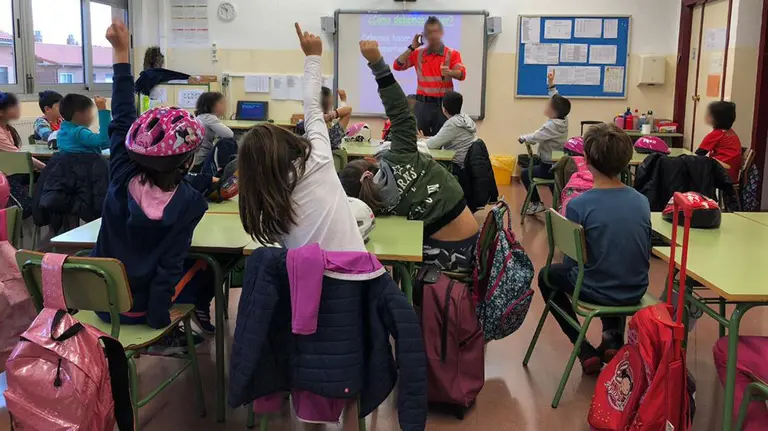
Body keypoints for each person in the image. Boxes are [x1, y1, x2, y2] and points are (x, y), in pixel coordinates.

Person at [91, 19, 216, 346]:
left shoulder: (120, 174)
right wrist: (159, 321)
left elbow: (120, 116)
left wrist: (120, 53)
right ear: (188, 160)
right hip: (141, 310)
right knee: (207, 266)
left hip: (101, 302)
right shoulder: (190, 202)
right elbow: (169, 267)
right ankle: (180, 331)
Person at [339, 40, 479, 273]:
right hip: (466, 248)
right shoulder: (400, 157)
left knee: (386, 263)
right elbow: (400, 112)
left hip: (451, 252)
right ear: (374, 161)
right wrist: (377, 63)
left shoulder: (378, 206)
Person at [237, 23, 366, 253]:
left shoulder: (266, 202)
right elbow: (312, 107)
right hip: (353, 275)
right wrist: (313, 57)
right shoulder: (317, 157)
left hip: (308, 283)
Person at [538, 123, 650, 375]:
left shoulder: (579, 204)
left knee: (547, 276)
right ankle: (612, 338)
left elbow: (571, 262)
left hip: (594, 290)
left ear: (585, 159)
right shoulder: (642, 201)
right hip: (635, 290)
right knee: (612, 264)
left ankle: (583, 348)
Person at [394, 16, 466, 136]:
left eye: (435, 32)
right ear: (424, 35)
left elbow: (462, 74)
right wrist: (411, 48)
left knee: (443, 142)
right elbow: (397, 65)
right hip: (422, 105)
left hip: (443, 107)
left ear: (441, 33)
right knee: (420, 141)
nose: (432, 36)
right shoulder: (418, 54)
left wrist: (450, 72)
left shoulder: (452, 54)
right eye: (429, 32)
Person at [519, 70, 570, 215]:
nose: (546, 106)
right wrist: (551, 84)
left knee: (525, 174)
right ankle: (560, 205)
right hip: (556, 162)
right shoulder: (563, 119)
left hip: (549, 165)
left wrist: (523, 137)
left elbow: (536, 137)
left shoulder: (552, 126)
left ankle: (536, 203)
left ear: (553, 112)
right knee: (554, 183)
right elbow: (556, 98)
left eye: (548, 105)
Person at [422, 90, 476, 171]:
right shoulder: (463, 117)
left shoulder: (452, 124)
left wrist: (420, 140)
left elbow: (431, 145)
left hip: (455, 165)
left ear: (444, 109)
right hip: (464, 163)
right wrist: (425, 138)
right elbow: (439, 139)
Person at [696, 101, 742, 183]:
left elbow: (699, 153)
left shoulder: (716, 134)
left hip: (722, 173)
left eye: (709, 114)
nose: (706, 116)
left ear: (716, 118)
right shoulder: (730, 132)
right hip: (732, 173)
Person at [193, 91, 235, 168]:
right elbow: (229, 134)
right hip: (202, 159)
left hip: (195, 157)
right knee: (228, 143)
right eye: (222, 103)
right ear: (214, 105)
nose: (225, 107)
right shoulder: (209, 118)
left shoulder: (201, 116)